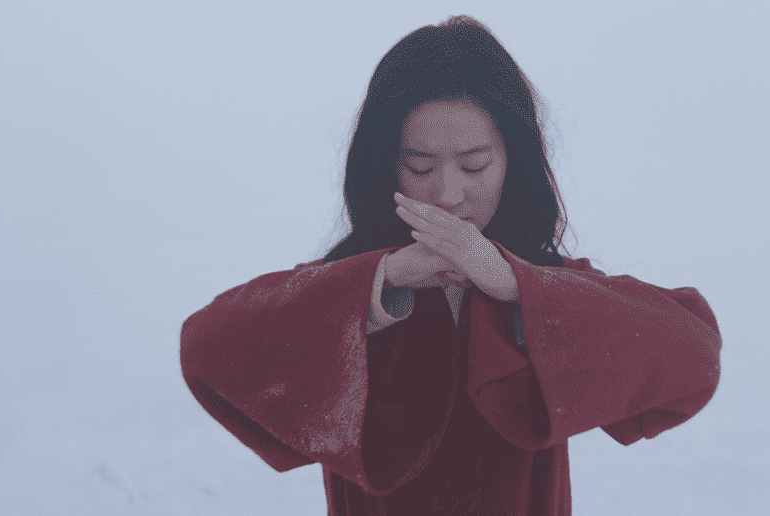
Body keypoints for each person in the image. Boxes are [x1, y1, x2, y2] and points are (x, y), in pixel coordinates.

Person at [179, 15, 722, 516]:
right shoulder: (348, 284)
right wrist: (384, 280)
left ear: (512, 162)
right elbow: (207, 349)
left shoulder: (546, 278)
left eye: (474, 165)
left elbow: (694, 354)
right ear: (385, 165)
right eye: (420, 167)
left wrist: (516, 285)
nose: (447, 195)